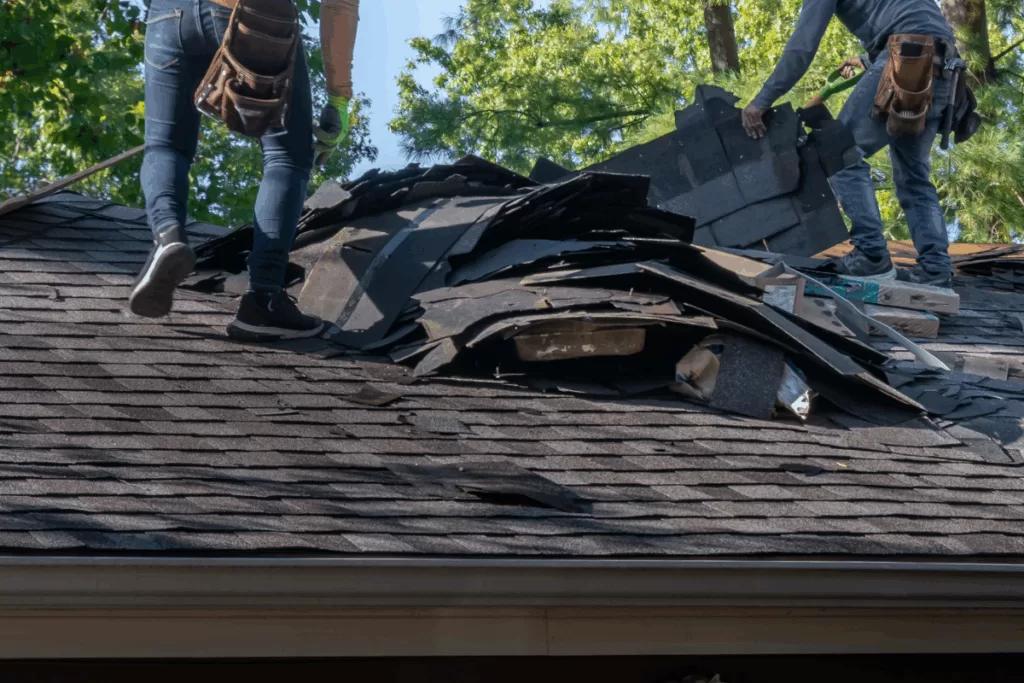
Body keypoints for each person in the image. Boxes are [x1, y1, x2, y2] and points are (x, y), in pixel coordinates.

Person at [130, 0, 360, 340]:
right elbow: (339, 4)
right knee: (287, 156)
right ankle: (263, 298)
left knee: (165, 146)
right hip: (252, 12)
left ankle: (167, 236)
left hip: (167, 13)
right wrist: (339, 98)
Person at [741, 0, 957, 287]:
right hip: (945, 70)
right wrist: (871, 60)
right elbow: (916, 21)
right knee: (914, 177)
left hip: (906, 60)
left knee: (840, 152)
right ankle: (936, 268)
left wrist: (762, 101)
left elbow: (802, 48)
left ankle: (870, 255)